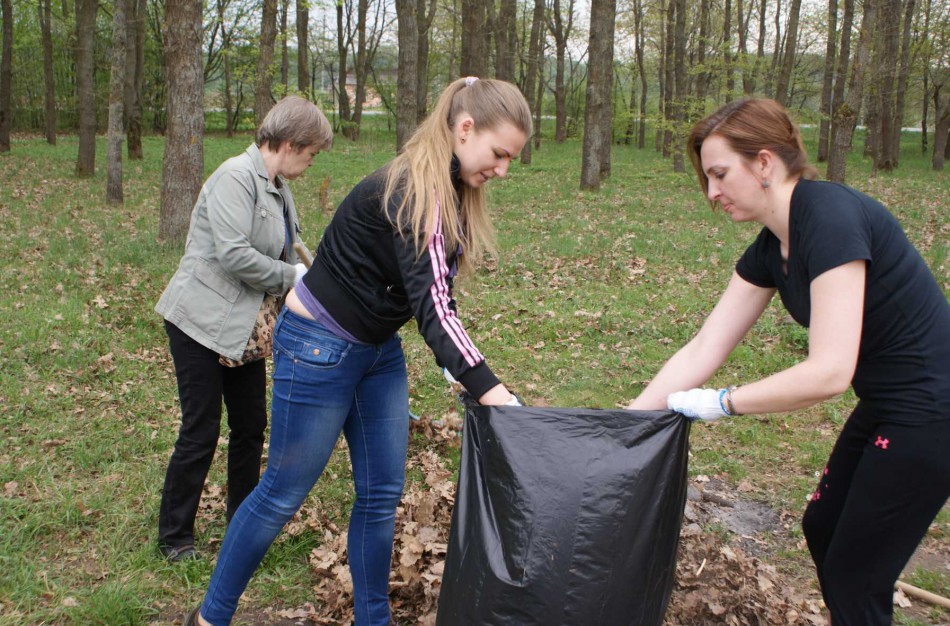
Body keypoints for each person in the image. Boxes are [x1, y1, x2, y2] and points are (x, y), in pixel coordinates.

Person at [183, 77, 530, 626]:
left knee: (381, 493)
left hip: (376, 350)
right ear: (466, 129)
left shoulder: (447, 188)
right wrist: (495, 393)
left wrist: (459, 373)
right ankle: (209, 618)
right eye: (500, 153)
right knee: (281, 492)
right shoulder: (411, 190)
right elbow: (433, 309)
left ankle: (373, 620)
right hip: (318, 346)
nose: (504, 170)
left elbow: (435, 295)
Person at [627, 98, 950, 625]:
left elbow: (829, 372)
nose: (711, 193)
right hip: (888, 404)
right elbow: (706, 346)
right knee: (823, 528)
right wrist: (632, 417)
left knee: (855, 575)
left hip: (933, 410)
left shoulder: (830, 217)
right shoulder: (772, 247)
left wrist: (723, 403)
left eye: (719, 174)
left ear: (764, 163)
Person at [155, 96, 333, 562]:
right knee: (201, 430)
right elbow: (234, 255)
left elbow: (291, 248)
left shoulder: (278, 187)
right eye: (312, 154)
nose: (312, 163)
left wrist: (323, 279)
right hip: (199, 321)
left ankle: (243, 526)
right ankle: (175, 538)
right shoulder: (236, 177)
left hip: (243, 329)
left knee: (251, 425)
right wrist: (292, 278)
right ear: (290, 144)